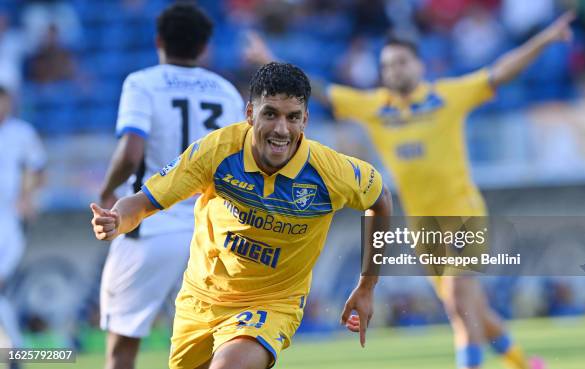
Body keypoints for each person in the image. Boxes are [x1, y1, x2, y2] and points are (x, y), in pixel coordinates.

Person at [245, 11, 575, 369]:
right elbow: (323, 92)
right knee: (470, 310)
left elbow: (502, 71)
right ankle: (526, 364)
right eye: (386, 66)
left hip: (464, 213)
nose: (393, 71)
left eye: (401, 62)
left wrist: (545, 39)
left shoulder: (448, 96)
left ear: (419, 65)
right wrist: (268, 59)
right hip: (424, 227)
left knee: (459, 300)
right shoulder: (376, 106)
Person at [91, 62, 392, 369]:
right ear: (250, 114)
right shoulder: (217, 151)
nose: (281, 129)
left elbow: (381, 200)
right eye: (270, 113)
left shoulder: (331, 172)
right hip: (201, 299)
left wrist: (367, 285)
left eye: (293, 117)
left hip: (273, 303)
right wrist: (117, 220)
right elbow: (143, 202)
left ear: (305, 121)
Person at [97, 4, 245, 369]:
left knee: (122, 347)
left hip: (148, 226)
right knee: (199, 349)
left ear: (159, 40)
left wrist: (107, 191)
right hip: (207, 234)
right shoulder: (226, 91)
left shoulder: (142, 82)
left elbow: (131, 153)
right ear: (205, 46)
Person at [0, 85, 46, 368]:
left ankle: (15, 350)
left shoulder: (21, 133)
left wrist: (26, 197)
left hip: (8, 219)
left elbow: (36, 168)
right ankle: (15, 350)